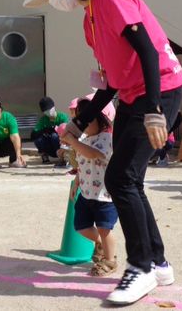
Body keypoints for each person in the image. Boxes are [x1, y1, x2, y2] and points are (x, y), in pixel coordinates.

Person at [24, 0, 182, 305]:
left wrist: (156, 110)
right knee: (130, 180)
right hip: (130, 95)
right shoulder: (89, 18)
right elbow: (110, 82)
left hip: (160, 88)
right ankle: (158, 263)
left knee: (119, 179)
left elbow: (147, 50)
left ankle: (140, 268)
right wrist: (80, 121)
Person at [62, 98, 118, 277]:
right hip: (86, 193)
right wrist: (76, 183)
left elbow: (93, 154)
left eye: (89, 120)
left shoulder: (107, 138)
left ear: (101, 119)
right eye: (82, 121)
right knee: (81, 226)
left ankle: (110, 260)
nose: (85, 125)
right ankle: (100, 244)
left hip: (104, 196)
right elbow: (82, 162)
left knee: (104, 228)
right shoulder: (84, 139)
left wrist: (73, 141)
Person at [32, 96, 69, 164]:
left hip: (61, 145)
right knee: (37, 139)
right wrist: (44, 130)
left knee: (54, 135)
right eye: (46, 111)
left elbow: (67, 131)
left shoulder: (62, 117)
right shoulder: (43, 120)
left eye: (49, 109)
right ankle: (44, 155)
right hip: (49, 147)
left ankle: (62, 157)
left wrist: (54, 130)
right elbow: (34, 134)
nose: (48, 112)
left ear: (54, 107)